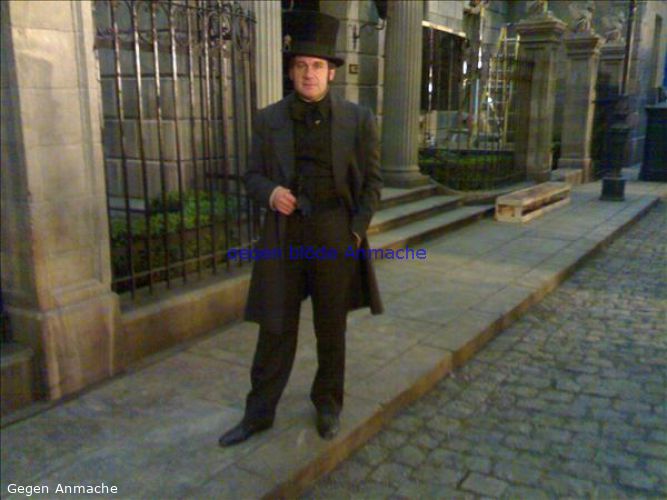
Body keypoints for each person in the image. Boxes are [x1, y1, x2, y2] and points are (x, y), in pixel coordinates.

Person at [218, 10, 383, 447]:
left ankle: (328, 404)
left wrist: (354, 233)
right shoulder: (267, 119)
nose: (309, 73)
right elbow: (252, 176)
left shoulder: (358, 120)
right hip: (285, 235)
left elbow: (372, 183)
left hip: (334, 233)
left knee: (331, 327)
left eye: (317, 65)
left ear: (331, 72)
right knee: (275, 327)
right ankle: (258, 413)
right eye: (301, 65)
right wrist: (271, 192)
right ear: (291, 71)